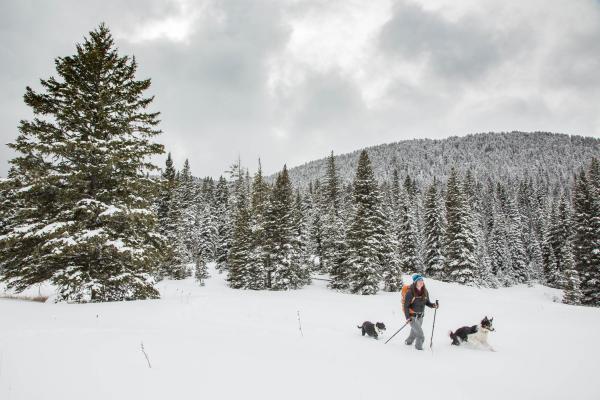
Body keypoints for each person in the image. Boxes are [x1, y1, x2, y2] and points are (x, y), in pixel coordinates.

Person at [404, 274, 438, 350]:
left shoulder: (425, 291)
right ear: (415, 282)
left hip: (421, 317)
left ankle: (408, 342)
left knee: (414, 332)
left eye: (422, 280)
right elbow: (406, 306)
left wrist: (433, 305)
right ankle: (418, 349)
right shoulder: (410, 292)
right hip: (412, 317)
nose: (421, 282)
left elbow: (427, 302)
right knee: (420, 335)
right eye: (419, 280)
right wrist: (407, 317)